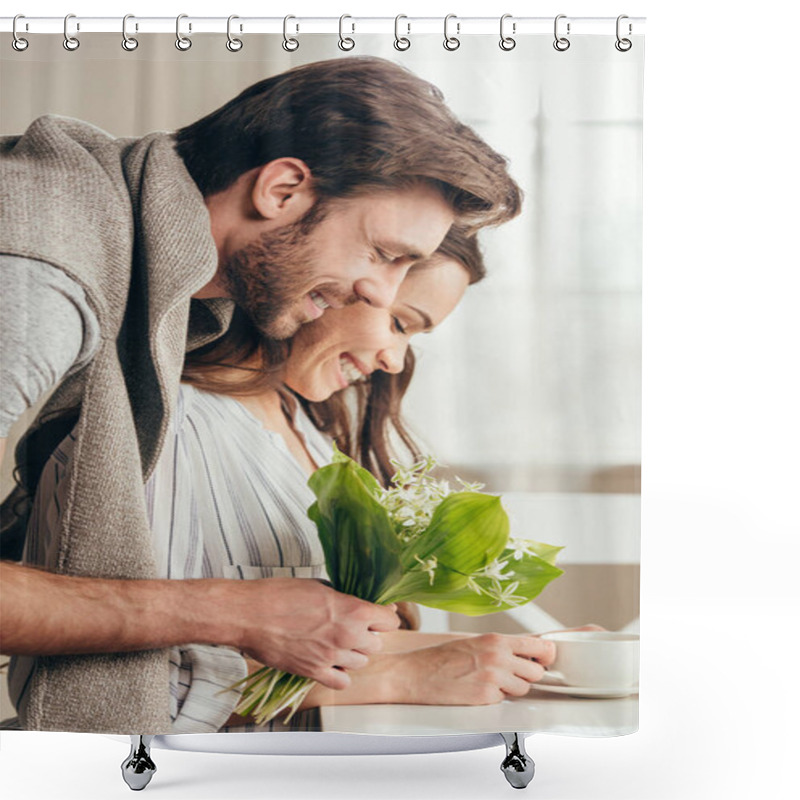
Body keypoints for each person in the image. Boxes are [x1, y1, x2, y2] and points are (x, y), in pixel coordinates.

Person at [0, 57, 522, 732]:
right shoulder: (48, 272)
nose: (380, 294)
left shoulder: (178, 305)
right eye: (384, 253)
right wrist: (235, 612)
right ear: (281, 190)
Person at [10, 230, 556, 733]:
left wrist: (527, 654)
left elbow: (328, 644)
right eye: (400, 323)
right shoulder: (174, 428)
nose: (395, 359)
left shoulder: (307, 429)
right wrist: (397, 679)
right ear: (332, 285)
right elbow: (123, 694)